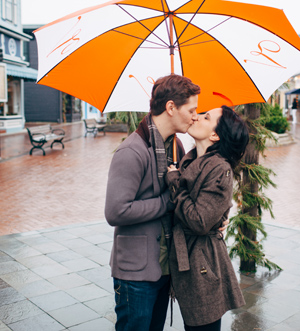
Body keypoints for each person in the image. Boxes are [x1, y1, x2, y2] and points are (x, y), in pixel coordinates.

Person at [104, 74, 200, 331]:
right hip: (135, 273)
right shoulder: (131, 151)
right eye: (191, 109)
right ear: (171, 107)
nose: (194, 116)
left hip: (165, 268)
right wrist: (166, 202)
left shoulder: (177, 147)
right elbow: (116, 211)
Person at [165, 105, 248, 330]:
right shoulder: (187, 160)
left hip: (203, 264)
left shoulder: (220, 169)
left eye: (205, 116)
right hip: (187, 258)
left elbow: (199, 221)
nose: (196, 116)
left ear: (215, 134)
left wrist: (174, 183)